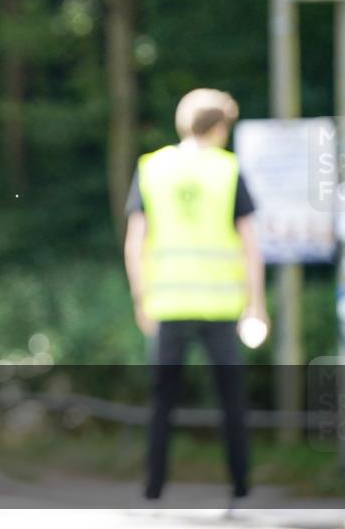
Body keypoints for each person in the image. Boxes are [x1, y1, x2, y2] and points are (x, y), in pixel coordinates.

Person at [122, 88, 269, 503]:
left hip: (167, 304)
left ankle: (153, 488)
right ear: (220, 126)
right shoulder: (228, 169)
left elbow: (136, 241)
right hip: (222, 305)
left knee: (162, 400)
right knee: (232, 400)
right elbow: (250, 244)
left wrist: (140, 298)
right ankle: (241, 487)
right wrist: (257, 304)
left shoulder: (152, 167)